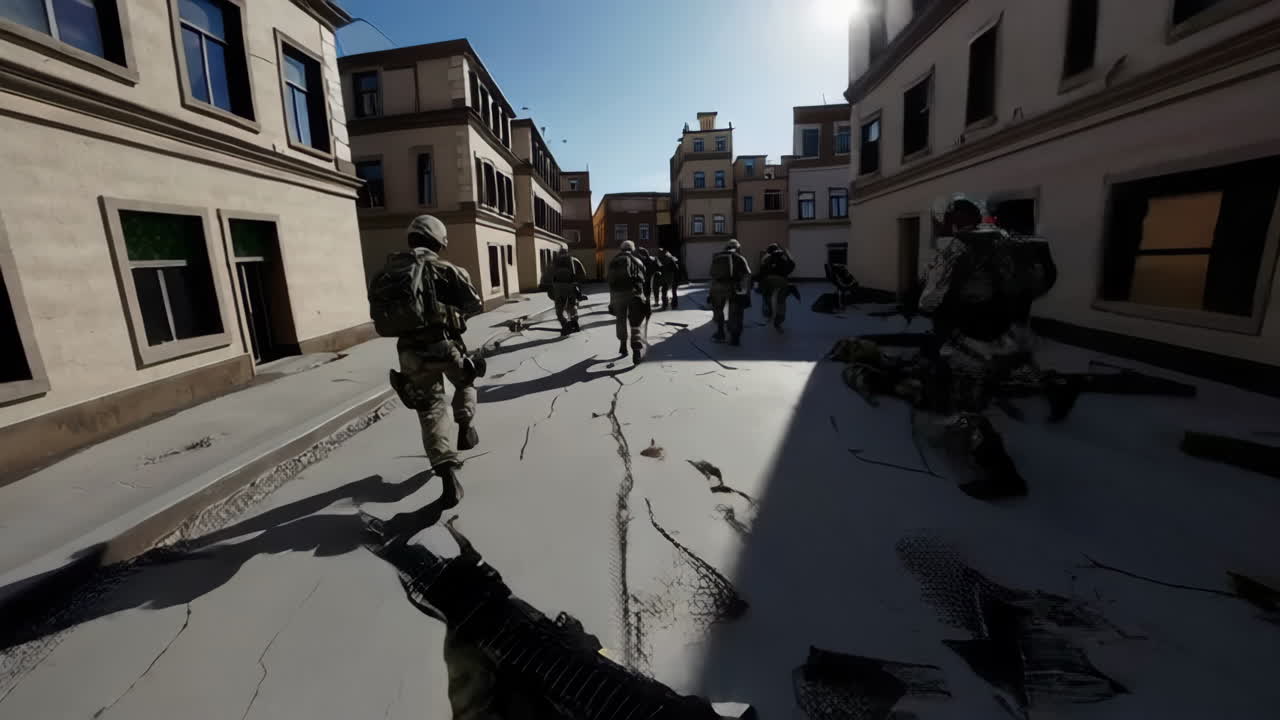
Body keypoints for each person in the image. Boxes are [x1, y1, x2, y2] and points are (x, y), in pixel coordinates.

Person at [372, 215, 483, 511]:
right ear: (438, 242)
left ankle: (448, 478)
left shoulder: (391, 273)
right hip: (445, 345)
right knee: (466, 379)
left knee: (430, 410)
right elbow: (474, 304)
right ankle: (465, 424)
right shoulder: (447, 270)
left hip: (410, 353)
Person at [606, 240, 649, 362]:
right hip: (635, 294)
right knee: (635, 322)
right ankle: (636, 351)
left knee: (621, 320)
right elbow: (644, 280)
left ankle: (623, 344)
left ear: (621, 249)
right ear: (632, 249)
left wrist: (612, 301)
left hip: (618, 295)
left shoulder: (614, 261)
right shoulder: (638, 261)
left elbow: (610, 282)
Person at [708, 238, 752, 346]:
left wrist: (711, 292)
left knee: (719, 310)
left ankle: (720, 333)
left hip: (717, 287)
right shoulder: (739, 257)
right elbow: (747, 275)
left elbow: (712, 275)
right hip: (733, 287)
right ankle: (734, 337)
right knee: (735, 312)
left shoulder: (717, 257)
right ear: (737, 248)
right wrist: (746, 293)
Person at [545, 248, 587, 335]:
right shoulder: (574, 260)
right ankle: (574, 322)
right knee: (572, 305)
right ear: (567, 253)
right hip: (571, 286)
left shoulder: (554, 262)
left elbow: (547, 275)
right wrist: (578, 284)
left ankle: (565, 324)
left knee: (559, 309)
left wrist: (550, 288)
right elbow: (583, 274)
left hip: (558, 287)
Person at [757, 243, 796, 331]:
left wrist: (760, 283)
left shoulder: (766, 259)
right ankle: (779, 318)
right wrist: (787, 254)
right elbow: (792, 265)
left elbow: (761, 272)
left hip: (768, 281)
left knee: (766, 296)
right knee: (781, 300)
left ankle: (768, 313)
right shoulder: (782, 258)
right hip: (781, 281)